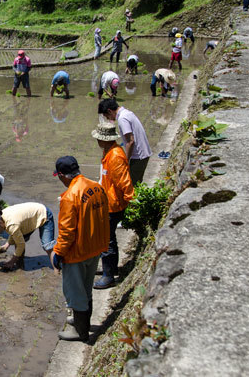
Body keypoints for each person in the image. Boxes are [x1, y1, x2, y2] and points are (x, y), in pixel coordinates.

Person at [51, 156, 109, 342]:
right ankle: (80, 321)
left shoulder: (70, 197)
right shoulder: (96, 187)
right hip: (95, 247)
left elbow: (67, 232)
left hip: (78, 253)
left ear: (62, 175)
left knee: (76, 292)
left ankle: (80, 332)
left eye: (59, 177)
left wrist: (58, 253)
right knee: (86, 288)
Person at [91, 124, 134, 289]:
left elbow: (125, 182)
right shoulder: (108, 152)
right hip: (107, 202)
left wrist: (132, 202)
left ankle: (109, 276)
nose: (96, 140)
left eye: (98, 137)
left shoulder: (115, 156)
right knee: (108, 239)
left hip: (113, 205)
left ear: (104, 139)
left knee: (106, 240)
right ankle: (111, 269)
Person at [0, 202, 56, 271]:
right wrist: (7, 244)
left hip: (44, 214)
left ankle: (57, 269)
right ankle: (20, 265)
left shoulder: (11, 224)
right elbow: (15, 232)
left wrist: (12, 261)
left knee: (48, 247)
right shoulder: (2, 216)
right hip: (31, 218)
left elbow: (21, 244)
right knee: (17, 240)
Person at [98, 99, 152, 184]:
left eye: (107, 116)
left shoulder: (122, 119)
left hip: (138, 156)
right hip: (143, 153)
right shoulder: (127, 113)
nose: (108, 119)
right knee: (136, 182)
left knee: (131, 185)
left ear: (109, 111)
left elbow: (130, 141)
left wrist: (125, 161)